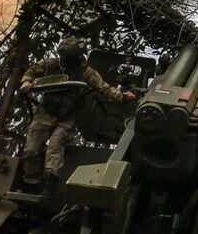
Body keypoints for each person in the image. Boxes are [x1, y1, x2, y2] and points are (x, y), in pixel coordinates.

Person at [19, 36, 135, 185]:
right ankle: (31, 180)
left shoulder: (86, 73)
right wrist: (26, 81)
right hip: (45, 113)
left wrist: (122, 96)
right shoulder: (52, 65)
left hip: (66, 117)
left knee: (55, 146)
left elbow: (103, 88)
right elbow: (33, 70)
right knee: (31, 150)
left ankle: (51, 180)